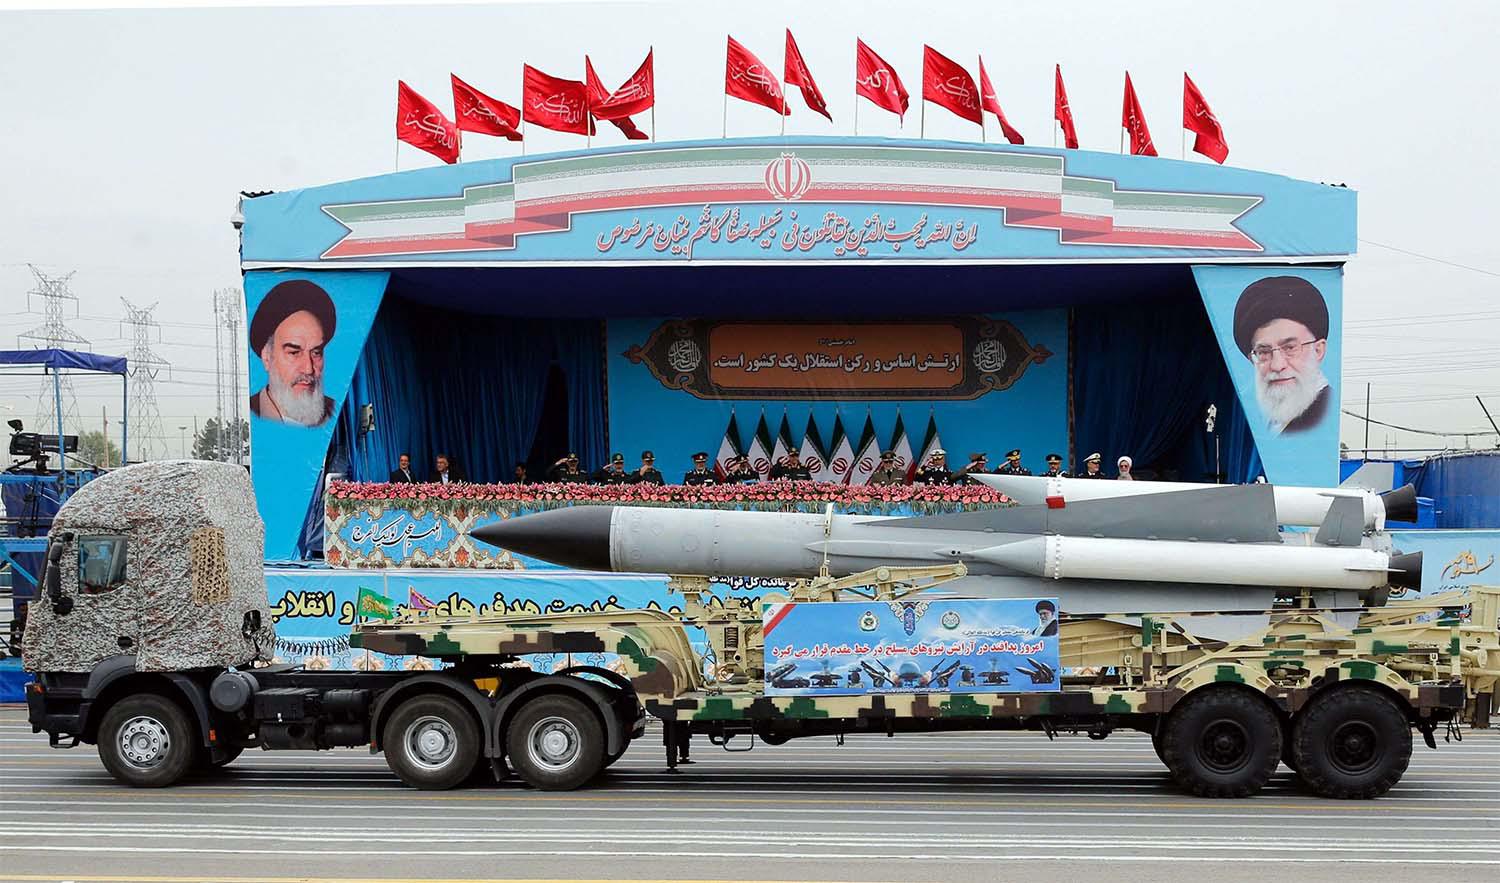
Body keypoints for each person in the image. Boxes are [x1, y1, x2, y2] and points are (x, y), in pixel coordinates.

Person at [1233, 276, 1333, 435]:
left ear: (1318, 350)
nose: (1277, 365)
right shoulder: (1270, 422)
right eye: (1264, 352)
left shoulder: (1325, 416)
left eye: (1290, 348)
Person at [248, 279, 336, 427]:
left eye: (316, 352)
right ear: (267, 357)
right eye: (294, 353)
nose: (308, 368)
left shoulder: (337, 413)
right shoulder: (247, 415)